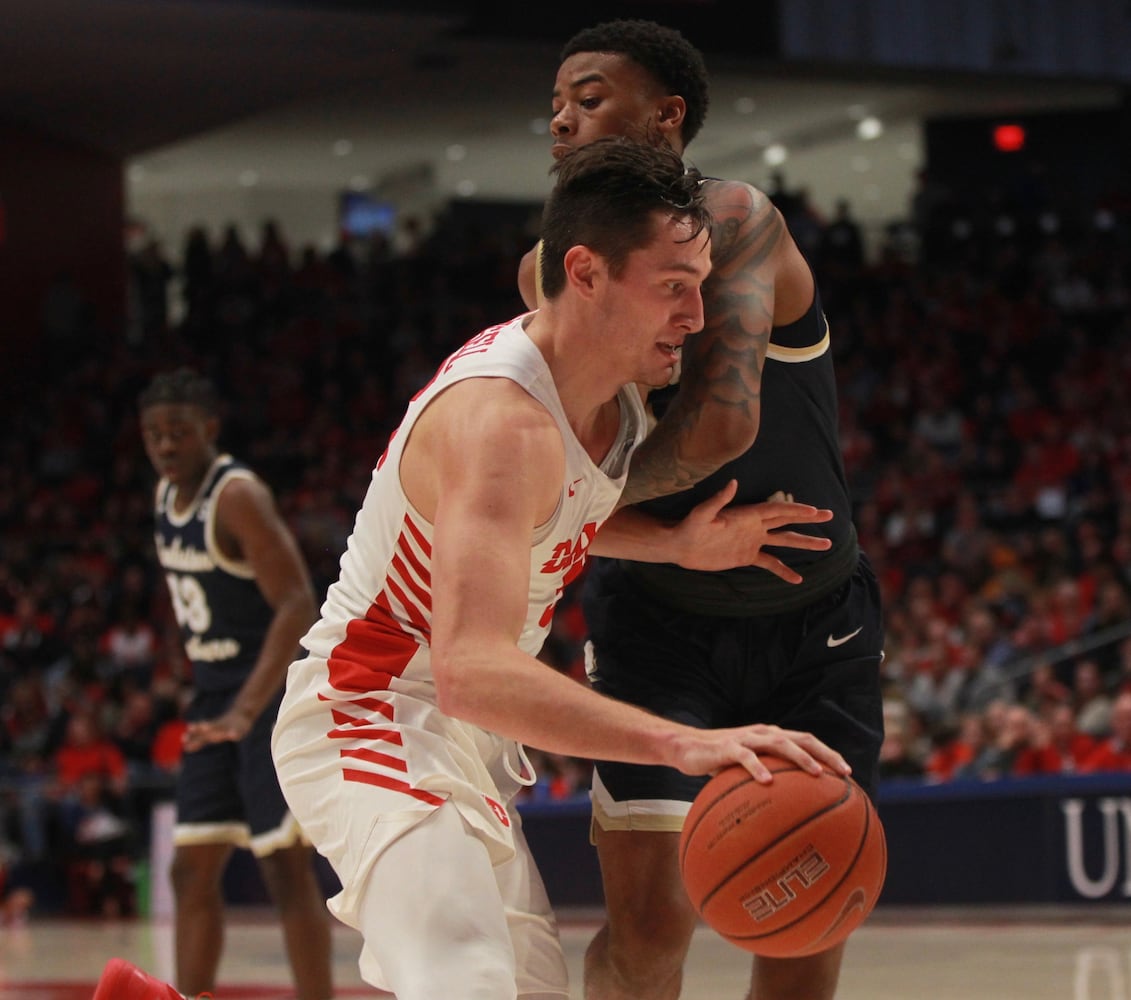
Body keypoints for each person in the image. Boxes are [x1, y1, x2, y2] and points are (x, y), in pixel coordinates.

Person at [270, 137, 849, 1000]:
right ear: (583, 273)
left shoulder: (608, 391)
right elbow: (470, 670)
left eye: (699, 284)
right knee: (462, 980)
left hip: (459, 735)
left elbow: (551, 518)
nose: (695, 316)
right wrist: (683, 742)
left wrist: (673, 543)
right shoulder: (502, 422)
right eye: (671, 288)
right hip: (372, 709)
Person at [517, 21, 885, 1000]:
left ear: (665, 115)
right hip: (656, 632)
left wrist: (563, 501)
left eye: (588, 96)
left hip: (817, 627)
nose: (560, 117)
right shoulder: (551, 274)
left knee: (801, 935)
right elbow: (562, 483)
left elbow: (720, 428)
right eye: (555, 102)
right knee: (642, 939)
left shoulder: (733, 216)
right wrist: (673, 540)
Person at [93, 368, 333, 999]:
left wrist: (245, 709)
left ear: (210, 430)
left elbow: (296, 604)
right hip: (214, 695)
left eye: (178, 432)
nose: (165, 446)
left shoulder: (236, 496)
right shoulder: (161, 498)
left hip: (269, 694)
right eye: (153, 435)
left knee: (284, 867)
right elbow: (189, 595)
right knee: (189, 869)